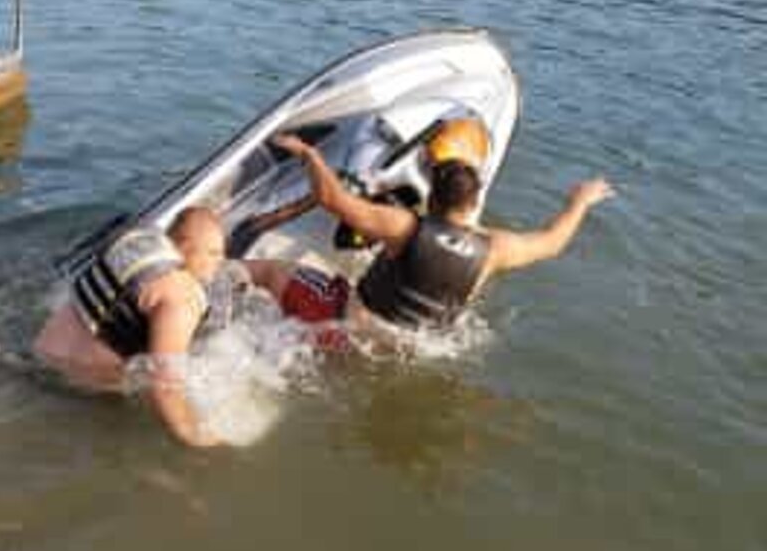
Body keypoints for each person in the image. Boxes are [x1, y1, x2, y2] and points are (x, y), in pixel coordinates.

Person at [245, 124, 615, 341]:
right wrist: (580, 201)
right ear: (474, 201)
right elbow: (553, 242)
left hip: (353, 328)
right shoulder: (496, 249)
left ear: (432, 196)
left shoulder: (404, 225)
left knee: (269, 270)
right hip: (415, 346)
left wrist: (308, 153)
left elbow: (332, 198)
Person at [34, 207, 229, 448]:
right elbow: (165, 387)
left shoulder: (136, 250)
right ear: (185, 249)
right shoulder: (182, 299)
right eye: (213, 253)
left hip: (39, 360)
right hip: (80, 390)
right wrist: (198, 438)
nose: (219, 262)